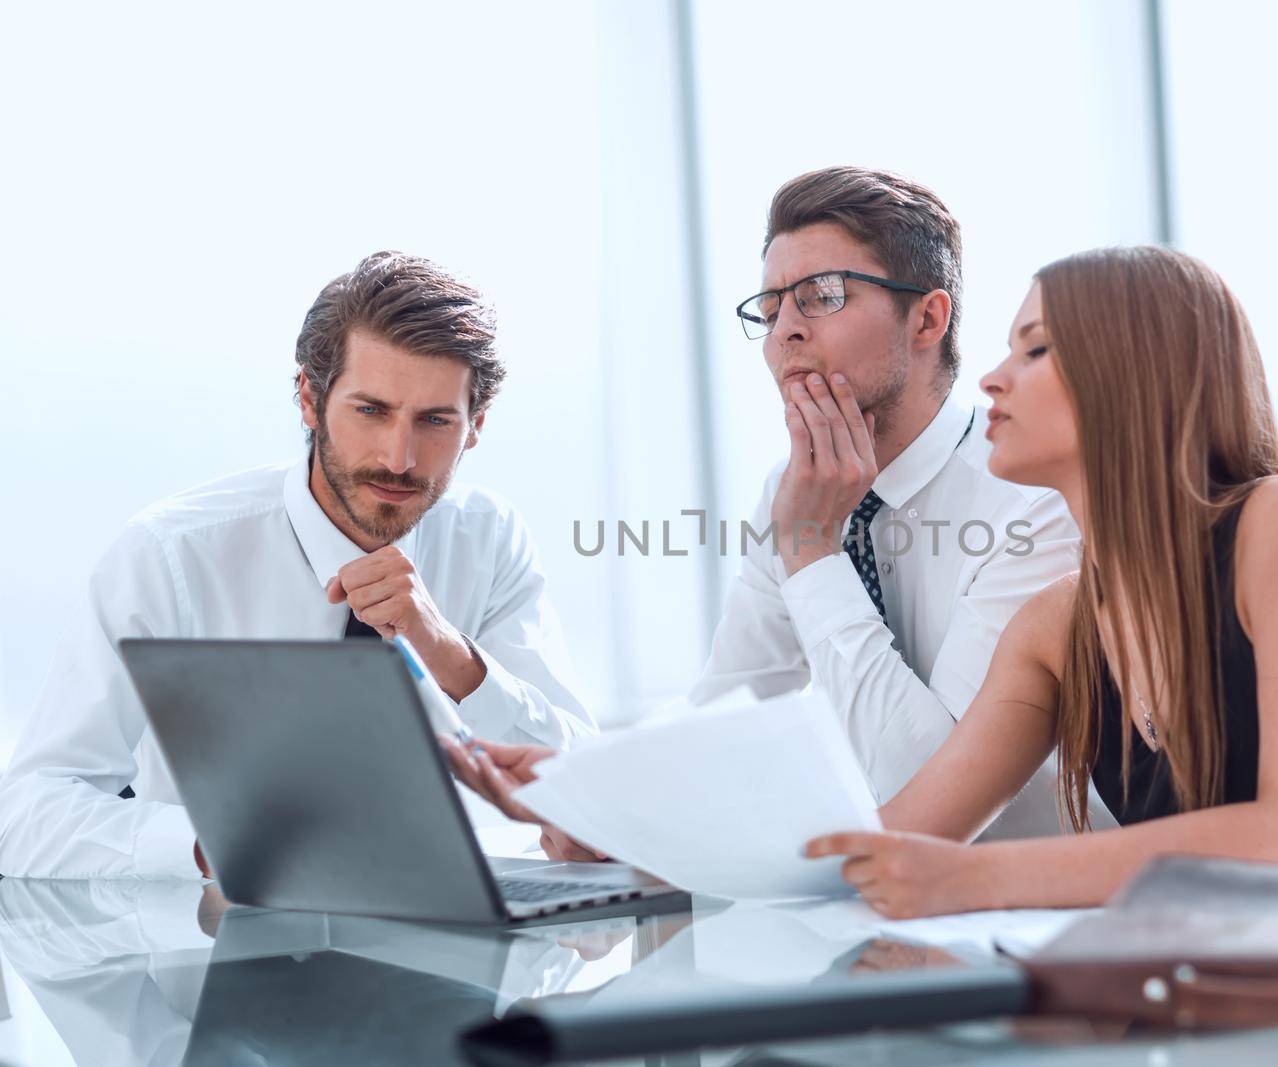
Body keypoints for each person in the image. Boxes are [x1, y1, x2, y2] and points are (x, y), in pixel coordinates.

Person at [799, 246, 1278, 916]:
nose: (992, 377)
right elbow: (908, 832)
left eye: (1038, 348)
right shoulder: (1055, 628)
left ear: (1136, 370)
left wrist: (977, 879)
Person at [448, 166, 1113, 857]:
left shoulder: (1035, 496)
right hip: (861, 900)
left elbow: (936, 792)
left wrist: (812, 553)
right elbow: (732, 714)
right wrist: (597, 799)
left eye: (821, 296)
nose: (784, 333)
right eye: (769, 311)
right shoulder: (796, 490)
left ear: (928, 317)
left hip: (1023, 918)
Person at [0, 251, 594, 879]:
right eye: (371, 410)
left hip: (460, 939)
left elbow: (587, 791)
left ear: (474, 425)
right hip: (222, 945)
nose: (399, 458)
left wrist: (450, 655)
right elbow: (26, 814)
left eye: (435, 421)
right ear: (310, 399)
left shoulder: (487, 540)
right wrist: (227, 846)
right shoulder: (171, 556)